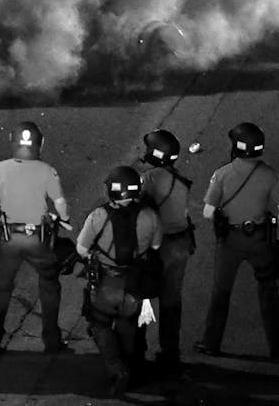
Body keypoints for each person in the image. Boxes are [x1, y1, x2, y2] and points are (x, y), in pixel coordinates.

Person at [195, 121, 279, 359]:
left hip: (230, 240)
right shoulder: (270, 174)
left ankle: (211, 343)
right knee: (269, 291)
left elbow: (208, 212)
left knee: (221, 292)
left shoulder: (222, 174)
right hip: (260, 240)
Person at [0, 121, 71, 354]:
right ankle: (52, 341)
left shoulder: (2, 168)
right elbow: (60, 204)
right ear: (39, 144)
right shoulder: (47, 170)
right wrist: (63, 217)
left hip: (10, 238)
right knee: (49, 286)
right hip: (38, 240)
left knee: (1, 288)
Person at [77, 166, 163, 397]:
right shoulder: (150, 216)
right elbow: (155, 247)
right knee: (128, 325)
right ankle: (130, 368)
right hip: (135, 284)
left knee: (99, 323)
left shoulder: (99, 216)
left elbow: (82, 248)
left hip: (106, 282)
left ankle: (117, 369)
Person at [138, 128, 193, 370]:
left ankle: (137, 350)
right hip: (181, 244)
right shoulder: (180, 180)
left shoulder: (150, 178)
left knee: (141, 294)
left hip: (158, 246)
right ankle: (171, 352)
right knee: (171, 300)